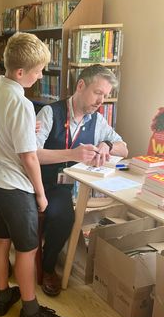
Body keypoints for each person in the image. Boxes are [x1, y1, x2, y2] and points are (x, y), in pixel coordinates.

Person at [0, 32, 71, 317]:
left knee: (1, 239)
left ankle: (3, 295)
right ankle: (31, 312)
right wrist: (41, 194)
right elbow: (29, 157)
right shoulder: (20, 103)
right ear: (21, 72)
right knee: (28, 248)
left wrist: (27, 126)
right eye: (38, 71)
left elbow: (3, 132)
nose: (41, 75)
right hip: (15, 186)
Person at [36, 64, 128, 297]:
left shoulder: (97, 121)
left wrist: (107, 145)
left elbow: (124, 148)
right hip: (38, 181)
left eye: (106, 96)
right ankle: (40, 263)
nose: (101, 101)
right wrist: (72, 154)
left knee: (64, 216)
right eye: (98, 93)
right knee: (53, 215)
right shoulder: (50, 112)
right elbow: (32, 154)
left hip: (63, 186)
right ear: (80, 85)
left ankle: (47, 263)